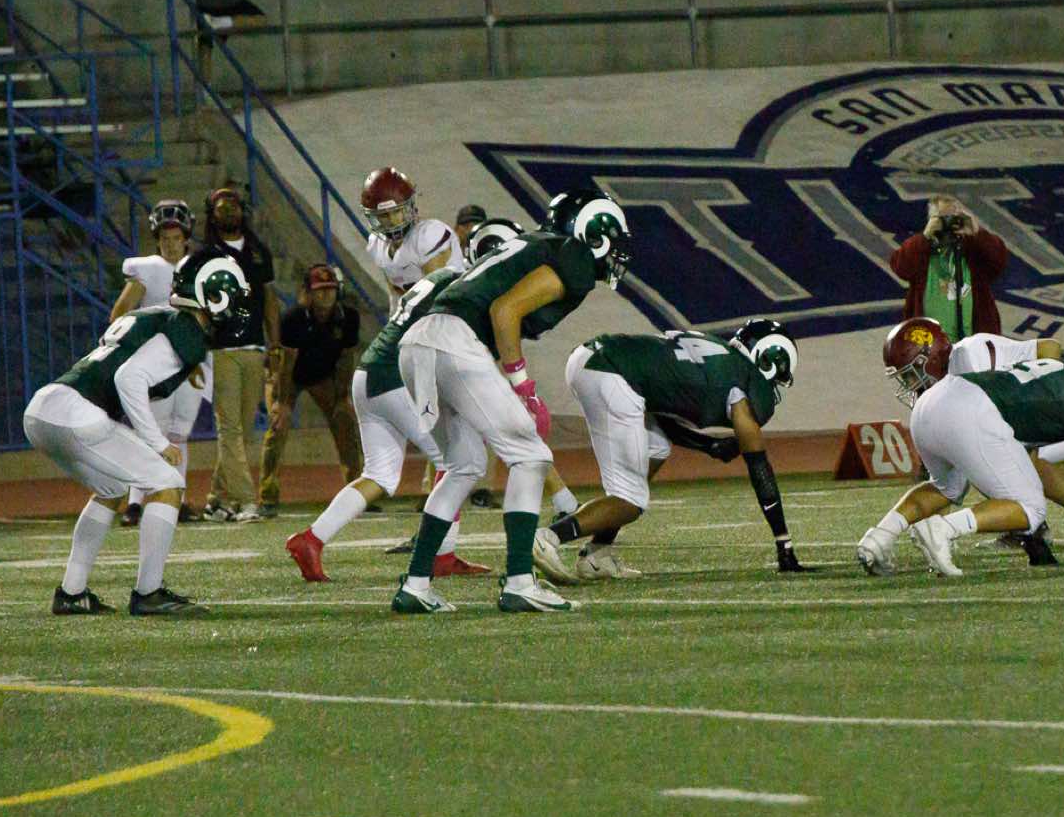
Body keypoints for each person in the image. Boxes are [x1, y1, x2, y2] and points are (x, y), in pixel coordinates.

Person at [389, 191, 630, 614]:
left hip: (419, 343)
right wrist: (523, 386)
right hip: (453, 341)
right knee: (531, 456)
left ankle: (416, 584)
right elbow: (505, 310)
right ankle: (520, 581)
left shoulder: (534, 244)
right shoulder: (572, 255)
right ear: (594, 233)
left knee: (463, 466)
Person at [860, 317, 1064, 579]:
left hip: (931, 409)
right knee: (1031, 508)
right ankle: (944, 529)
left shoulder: (1060, 374)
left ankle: (879, 537)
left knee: (946, 487)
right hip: (972, 408)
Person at [24, 256, 253, 616]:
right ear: (212, 294)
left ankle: (71, 592)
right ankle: (149, 592)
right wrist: (158, 444)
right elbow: (128, 378)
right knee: (167, 482)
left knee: (112, 489)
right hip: (78, 413)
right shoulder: (185, 329)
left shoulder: (155, 316)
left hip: (45, 407)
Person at [535, 318, 804, 584]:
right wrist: (784, 542)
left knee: (657, 448)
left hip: (598, 360)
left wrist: (707, 445)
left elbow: (659, 407)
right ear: (768, 359)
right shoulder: (740, 383)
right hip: (610, 372)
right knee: (631, 500)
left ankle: (597, 554)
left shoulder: (718, 358)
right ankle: (548, 538)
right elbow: (759, 467)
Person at [283, 265, 490, 583]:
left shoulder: (440, 278)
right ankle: (442, 555)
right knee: (455, 462)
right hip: (395, 378)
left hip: (369, 374)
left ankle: (310, 540)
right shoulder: (463, 288)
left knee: (379, 474)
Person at [880, 318, 1064, 557]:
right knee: (986, 458)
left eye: (910, 375)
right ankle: (1025, 527)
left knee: (1007, 457)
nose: (909, 385)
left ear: (930, 360)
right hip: (1009, 423)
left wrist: (1044, 400)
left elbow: (1049, 347)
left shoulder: (972, 356)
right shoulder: (944, 388)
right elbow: (950, 481)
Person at [108, 200, 207, 528]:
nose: (170, 244)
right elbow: (120, 313)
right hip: (158, 361)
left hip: (190, 361)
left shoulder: (198, 268)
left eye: (176, 238)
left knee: (179, 434)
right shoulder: (147, 269)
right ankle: (136, 502)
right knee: (151, 432)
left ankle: (176, 497)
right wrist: (135, 348)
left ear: (186, 238)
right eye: (165, 238)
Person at [190, 186, 281, 522]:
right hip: (221, 350)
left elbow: (269, 300)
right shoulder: (204, 256)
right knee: (230, 429)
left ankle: (217, 499)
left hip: (254, 347)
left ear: (243, 210)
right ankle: (245, 500)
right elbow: (195, 308)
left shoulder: (258, 251)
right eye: (221, 207)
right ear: (212, 215)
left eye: (233, 205)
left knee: (243, 430)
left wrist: (275, 344)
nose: (228, 211)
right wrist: (196, 350)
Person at [259, 264, 365, 510]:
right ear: (308, 292)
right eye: (319, 290)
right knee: (278, 426)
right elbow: (286, 365)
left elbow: (346, 359)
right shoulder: (293, 319)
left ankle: (356, 491)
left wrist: (342, 398)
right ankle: (267, 495)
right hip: (287, 376)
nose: (326, 295)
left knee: (345, 421)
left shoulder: (349, 318)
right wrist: (281, 403)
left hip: (322, 375)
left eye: (330, 289)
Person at [889, 195, 1007, 338]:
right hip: (929, 345)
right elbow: (900, 267)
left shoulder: (973, 250)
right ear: (930, 220)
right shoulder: (922, 251)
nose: (949, 224)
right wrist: (925, 236)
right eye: (943, 218)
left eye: (954, 218)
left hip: (974, 344)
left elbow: (999, 260)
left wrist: (977, 232)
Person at [361, 167, 465, 297]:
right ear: (374, 217)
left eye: (397, 211)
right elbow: (396, 297)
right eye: (384, 215)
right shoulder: (377, 245)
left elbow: (440, 296)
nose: (393, 220)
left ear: (409, 207)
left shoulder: (429, 235)